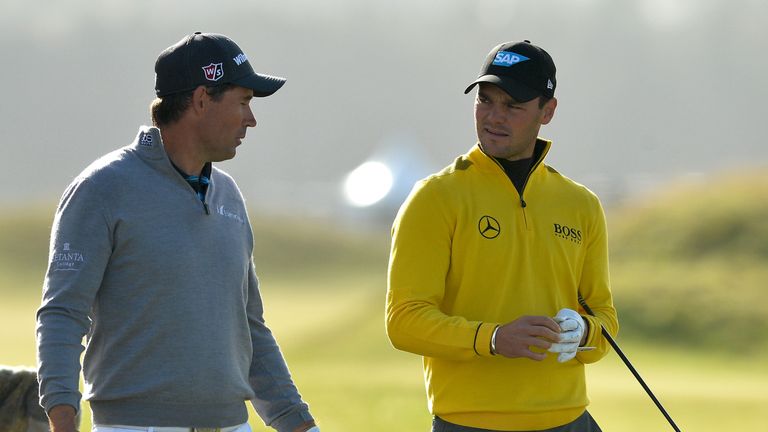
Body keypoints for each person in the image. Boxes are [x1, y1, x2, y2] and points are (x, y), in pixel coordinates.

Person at [36, 32, 319, 432]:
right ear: (202, 100)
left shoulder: (229, 195)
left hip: (232, 425)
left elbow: (249, 326)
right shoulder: (102, 188)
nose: (251, 119)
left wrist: (298, 423)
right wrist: (62, 419)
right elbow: (63, 314)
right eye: (243, 102)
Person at [386, 40, 619, 431]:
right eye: (485, 100)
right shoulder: (435, 197)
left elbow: (604, 319)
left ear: (548, 111)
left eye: (513, 105)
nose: (494, 116)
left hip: (570, 419)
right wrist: (492, 339)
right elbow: (404, 321)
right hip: (471, 422)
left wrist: (582, 334)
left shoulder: (581, 204)